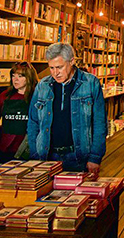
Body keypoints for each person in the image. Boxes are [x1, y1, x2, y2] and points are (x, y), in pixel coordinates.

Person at [28, 43, 107, 174]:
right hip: (47, 157)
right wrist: (35, 154)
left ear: (72, 61)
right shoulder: (43, 85)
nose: (55, 73)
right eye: (51, 68)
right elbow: (33, 122)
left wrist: (95, 157)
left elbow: (99, 123)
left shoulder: (90, 83)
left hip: (78, 157)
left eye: (59, 67)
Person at [0, 62, 38, 164]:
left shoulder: (38, 97)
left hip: (29, 151)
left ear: (29, 77)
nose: (15, 79)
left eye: (20, 76)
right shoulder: (4, 96)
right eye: (13, 76)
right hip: (5, 150)